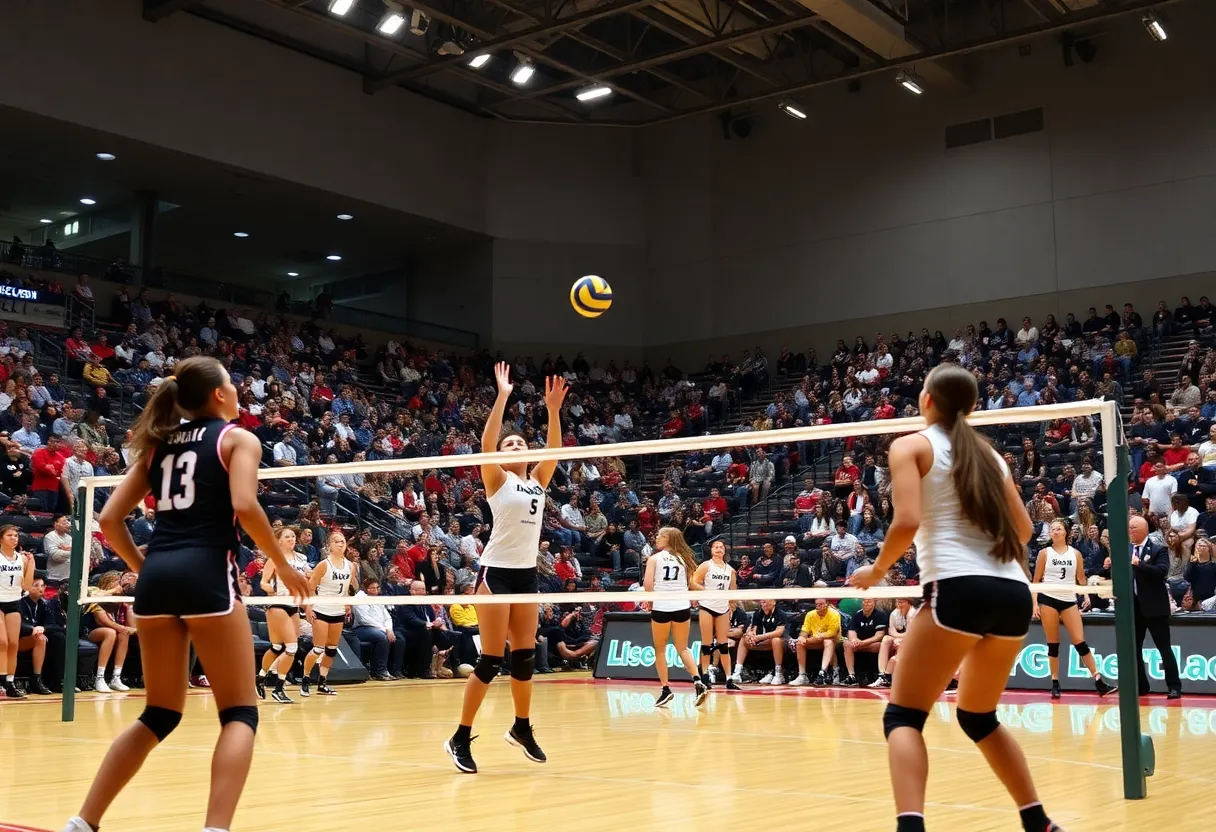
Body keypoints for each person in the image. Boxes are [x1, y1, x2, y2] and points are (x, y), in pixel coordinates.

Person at [63, 356, 310, 832]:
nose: (238, 390)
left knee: (158, 712)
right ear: (218, 395)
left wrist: (147, 568)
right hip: (206, 576)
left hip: (156, 582)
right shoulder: (238, 438)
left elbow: (110, 520)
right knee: (239, 711)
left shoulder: (157, 446)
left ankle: (83, 822)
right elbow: (244, 503)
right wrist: (282, 565)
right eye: (232, 384)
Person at [848, 363, 1063, 832]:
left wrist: (878, 570)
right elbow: (1025, 530)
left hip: (957, 588)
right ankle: (1039, 822)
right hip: (1012, 594)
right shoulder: (991, 456)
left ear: (926, 400)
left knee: (903, 715)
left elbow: (905, 521)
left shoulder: (910, 445)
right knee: (978, 716)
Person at [445, 363, 567, 775]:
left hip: (526, 575)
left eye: (520, 444)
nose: (515, 446)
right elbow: (485, 443)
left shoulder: (538, 481)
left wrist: (552, 410)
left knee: (526, 657)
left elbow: (555, 450)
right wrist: (501, 397)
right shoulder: (496, 479)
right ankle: (459, 736)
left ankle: (521, 727)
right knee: (491, 659)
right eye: (509, 444)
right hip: (494, 574)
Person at [1031, 519, 1117, 699]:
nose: (1054, 531)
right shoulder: (1044, 553)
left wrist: (1085, 595)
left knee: (1080, 641)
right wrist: (1034, 604)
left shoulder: (1075, 554)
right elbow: (1036, 580)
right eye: (1052, 529)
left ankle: (1099, 680)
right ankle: (1055, 682)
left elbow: (1080, 578)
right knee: (1053, 644)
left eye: (1058, 528)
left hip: (1069, 600)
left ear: (1066, 532)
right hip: (1048, 599)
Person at [644, 527, 707, 707]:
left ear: (668, 539)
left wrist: (650, 601)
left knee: (660, 649)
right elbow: (690, 584)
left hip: (662, 607)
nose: (656, 538)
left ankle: (665, 689)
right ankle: (697, 681)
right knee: (682, 648)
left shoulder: (654, 559)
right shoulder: (684, 559)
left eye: (660, 536)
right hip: (681, 607)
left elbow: (648, 585)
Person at [1128, 515, 1182, 698]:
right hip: (1133, 607)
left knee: (1164, 648)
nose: (1130, 531)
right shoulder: (1126, 550)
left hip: (1155, 608)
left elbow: (1161, 572)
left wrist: (1140, 564)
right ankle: (1140, 686)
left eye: (1133, 528)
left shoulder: (1159, 549)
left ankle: (1174, 686)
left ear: (1144, 530)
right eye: (1129, 528)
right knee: (1134, 649)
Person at [256, 526, 310, 704]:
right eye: (287, 536)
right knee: (291, 647)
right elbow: (263, 582)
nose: (291, 539)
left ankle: (261, 677)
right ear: (279, 541)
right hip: (277, 604)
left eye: (293, 536)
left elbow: (310, 577)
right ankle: (279, 688)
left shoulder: (302, 559)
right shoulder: (275, 560)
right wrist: (270, 589)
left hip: (293, 606)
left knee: (278, 647)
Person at [301, 530, 356, 696]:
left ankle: (322, 682)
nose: (341, 543)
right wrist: (308, 608)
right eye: (337, 541)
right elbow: (310, 588)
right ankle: (305, 678)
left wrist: (348, 604)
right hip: (322, 609)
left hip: (338, 610)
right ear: (329, 546)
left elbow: (346, 590)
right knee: (318, 648)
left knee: (331, 649)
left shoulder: (351, 566)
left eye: (343, 541)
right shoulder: (324, 565)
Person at [691, 539, 740, 693]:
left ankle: (729, 678)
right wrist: (705, 592)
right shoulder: (706, 565)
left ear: (725, 551)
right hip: (707, 606)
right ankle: (704, 676)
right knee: (706, 643)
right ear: (711, 550)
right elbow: (693, 582)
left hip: (723, 608)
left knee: (723, 644)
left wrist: (732, 606)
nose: (719, 549)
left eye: (721, 547)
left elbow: (733, 590)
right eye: (716, 547)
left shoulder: (730, 570)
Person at [0, 525, 34, 698]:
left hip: (14, 601)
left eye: (16, 535)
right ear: (1, 539)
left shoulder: (22, 558)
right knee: (2, 642)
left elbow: (27, 586)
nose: (14, 538)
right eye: (9, 535)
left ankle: (10, 682)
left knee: (13, 644)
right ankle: (0, 682)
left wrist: (32, 563)